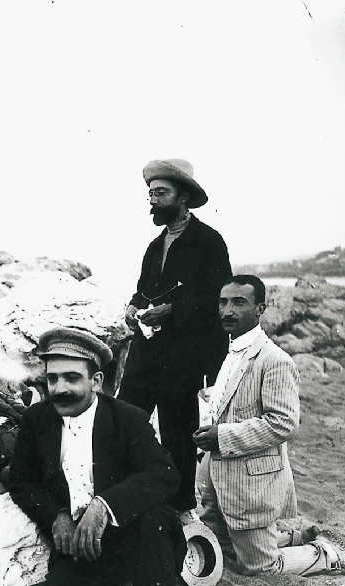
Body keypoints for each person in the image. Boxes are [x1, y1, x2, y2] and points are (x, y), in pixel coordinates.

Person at [6, 327, 233, 586]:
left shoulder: (126, 417)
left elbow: (164, 474)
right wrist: (56, 517)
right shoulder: (36, 420)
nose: (59, 388)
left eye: (71, 378)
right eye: (52, 379)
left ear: (96, 381)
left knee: (155, 519)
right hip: (82, 544)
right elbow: (22, 482)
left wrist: (105, 505)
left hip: (139, 541)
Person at [193, 275, 345, 576]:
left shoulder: (275, 360)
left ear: (260, 309)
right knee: (219, 547)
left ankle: (324, 554)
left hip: (250, 481)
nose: (228, 311)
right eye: (223, 302)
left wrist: (223, 435)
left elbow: (284, 423)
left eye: (239, 302)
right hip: (217, 475)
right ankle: (294, 534)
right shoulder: (228, 352)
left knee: (260, 568)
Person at [118, 159, 231, 521]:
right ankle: (123, 493)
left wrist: (171, 310)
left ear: (183, 197)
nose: (153, 201)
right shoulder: (155, 245)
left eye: (161, 193)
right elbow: (142, 291)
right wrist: (133, 308)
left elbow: (219, 298)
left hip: (183, 359)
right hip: (145, 353)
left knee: (178, 435)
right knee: (126, 423)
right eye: (150, 194)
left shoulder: (208, 242)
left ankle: (182, 509)